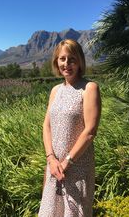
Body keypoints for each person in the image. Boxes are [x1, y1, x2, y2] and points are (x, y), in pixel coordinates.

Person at [38, 39, 101, 217]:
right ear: (56, 62)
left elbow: (90, 131)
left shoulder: (89, 88)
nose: (66, 64)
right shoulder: (55, 90)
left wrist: (66, 162)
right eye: (62, 59)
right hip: (54, 168)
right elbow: (46, 125)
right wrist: (51, 158)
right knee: (50, 212)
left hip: (77, 167)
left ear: (80, 61)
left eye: (72, 59)